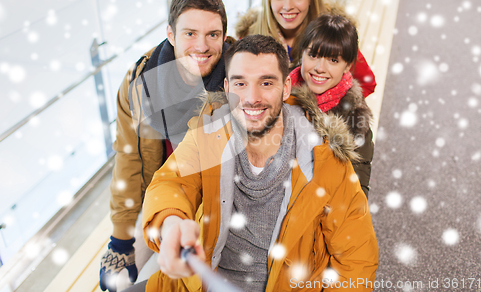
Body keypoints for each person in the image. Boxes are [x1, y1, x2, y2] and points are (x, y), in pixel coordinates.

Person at [139, 35, 378, 292]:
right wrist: (171, 223)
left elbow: (357, 258)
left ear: (286, 87)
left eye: (266, 82)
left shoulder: (325, 158)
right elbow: (170, 183)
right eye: (241, 83)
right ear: (228, 88)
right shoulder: (206, 135)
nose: (252, 98)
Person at [99, 0, 232, 292]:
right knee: (111, 283)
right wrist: (121, 238)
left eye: (213, 34)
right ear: (170, 34)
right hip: (162, 192)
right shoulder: (139, 83)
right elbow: (128, 158)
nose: (202, 45)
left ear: (225, 37)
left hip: (211, 200)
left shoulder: (236, 81)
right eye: (190, 34)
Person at [234, 0, 377, 98]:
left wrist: (324, 107)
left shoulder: (333, 34)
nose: (288, 6)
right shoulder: (248, 38)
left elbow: (367, 83)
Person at [288, 14, 374, 197]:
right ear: (302, 53)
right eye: (313, 55)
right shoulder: (277, 91)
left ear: (347, 66)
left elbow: (356, 194)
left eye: (333, 60)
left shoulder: (356, 119)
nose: (320, 67)